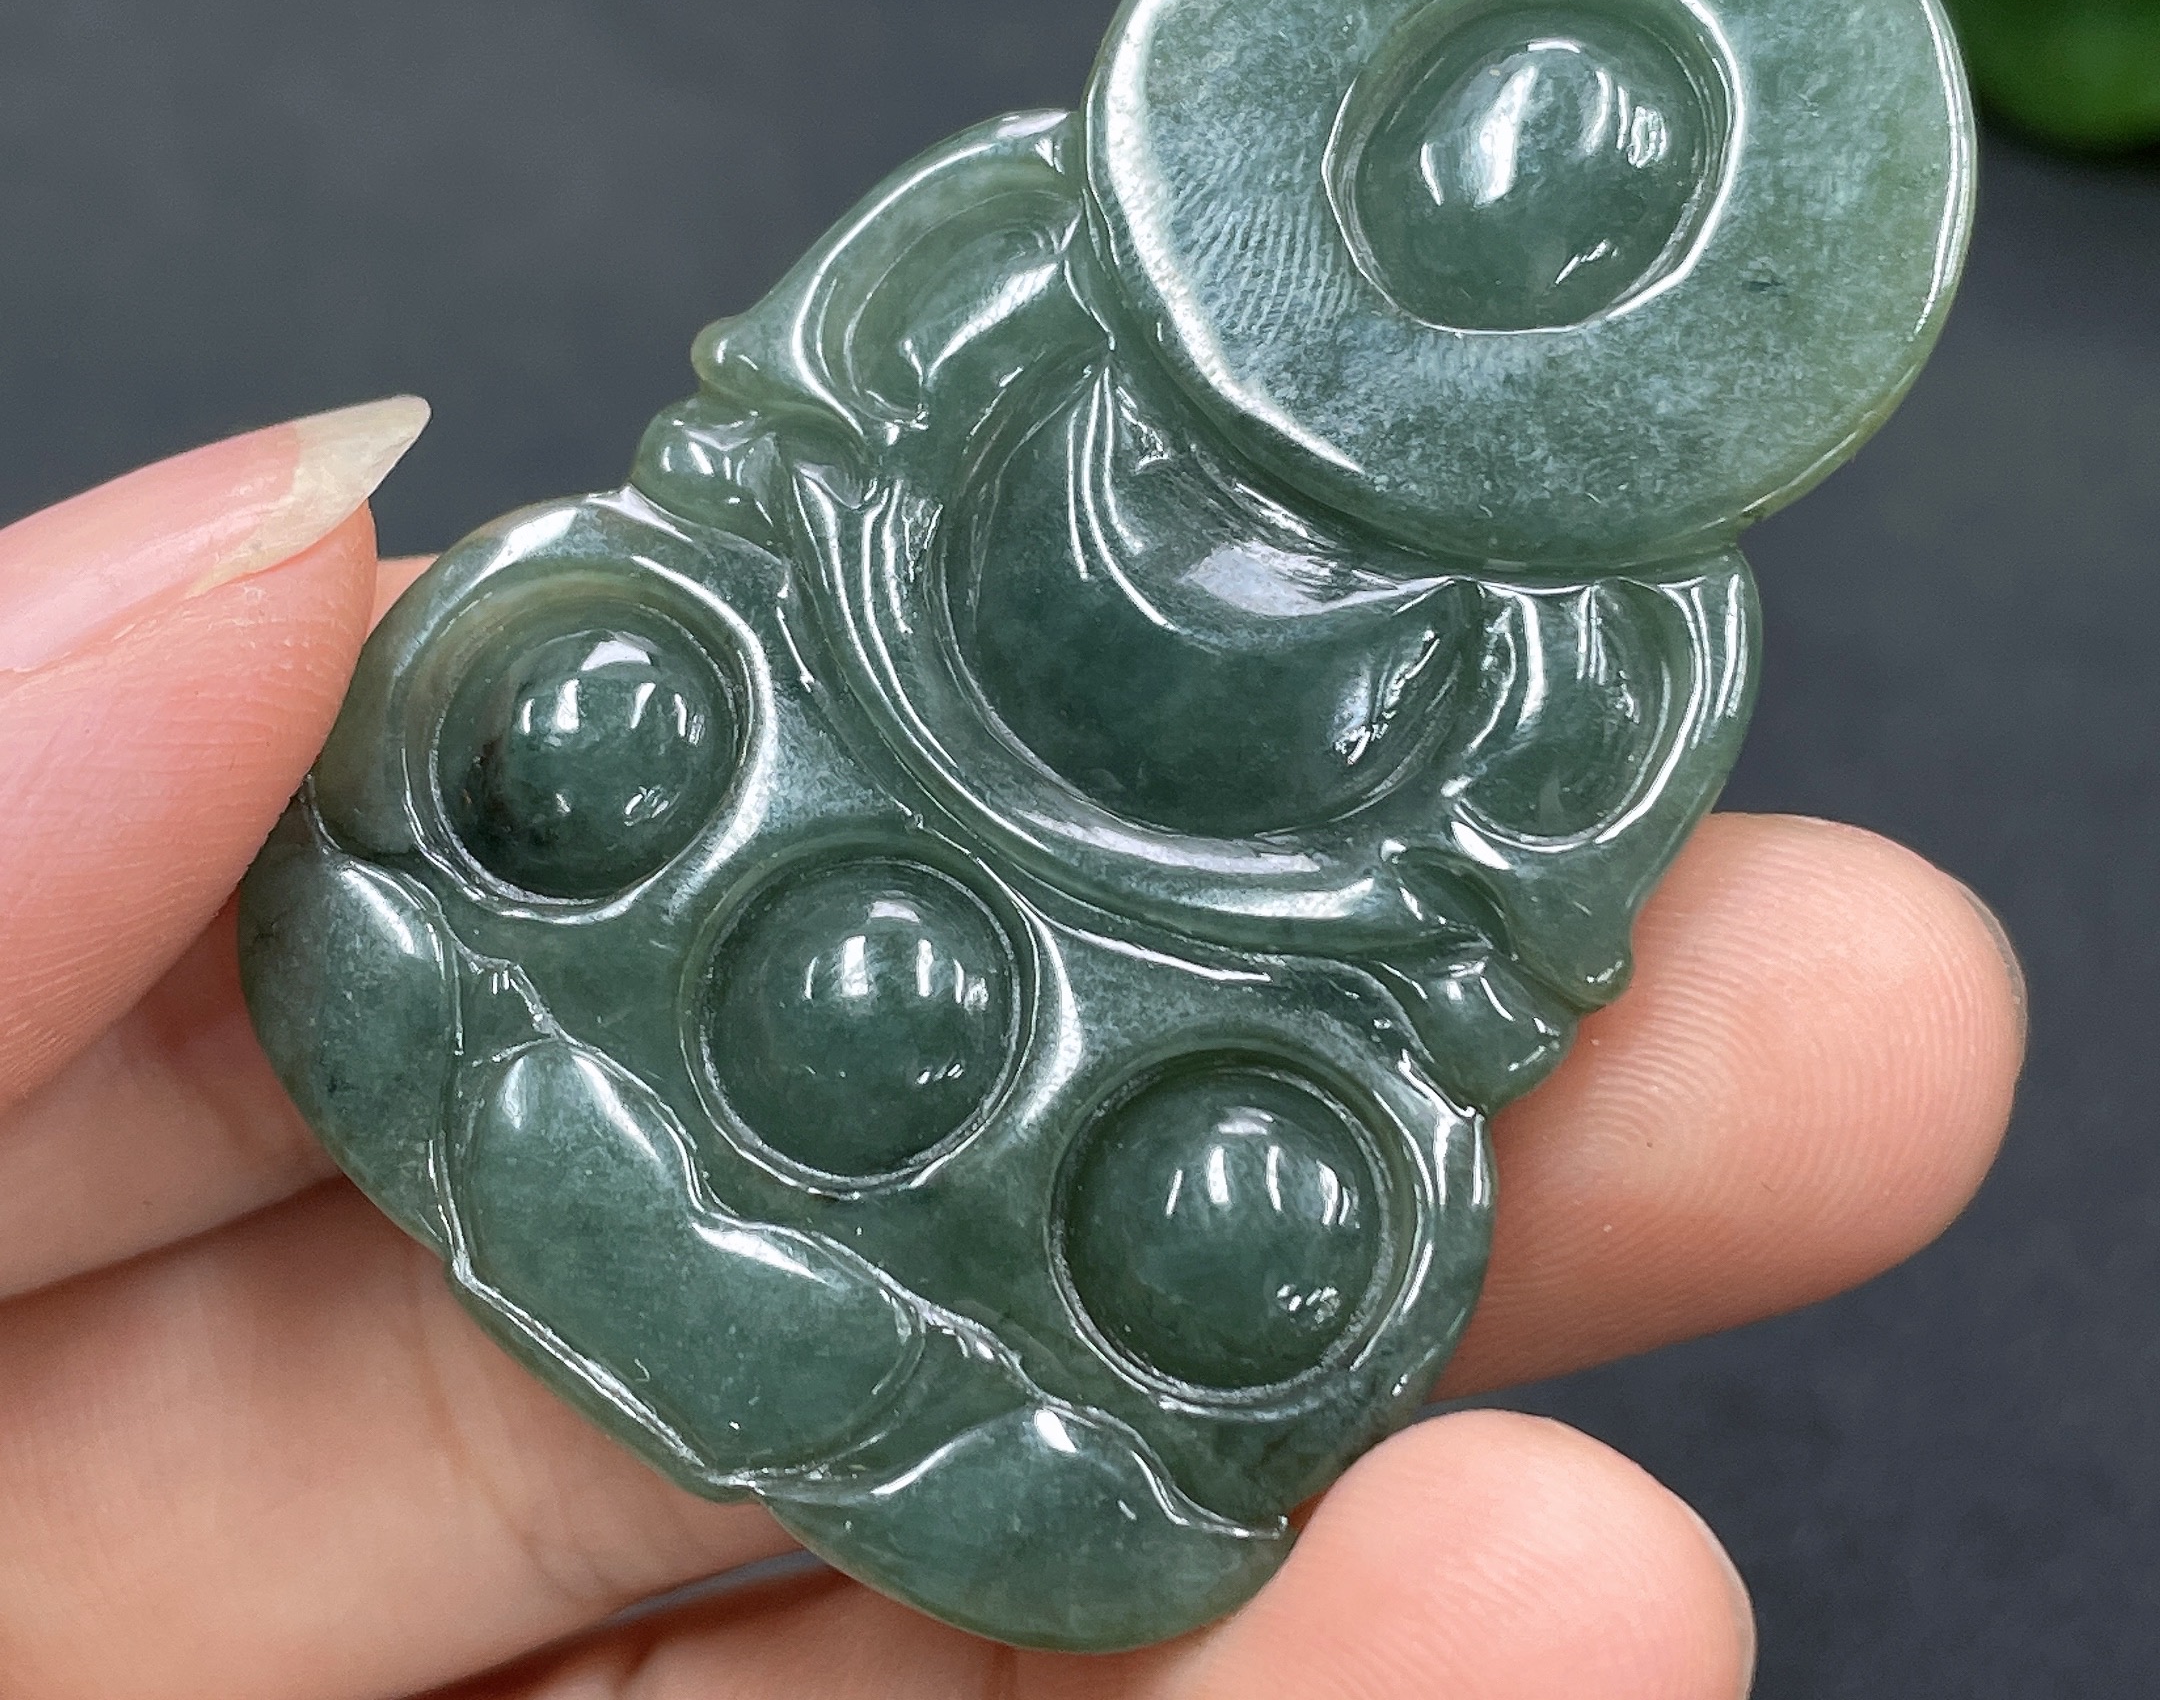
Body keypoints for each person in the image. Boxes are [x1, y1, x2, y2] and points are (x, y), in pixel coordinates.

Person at [0, 399, 2025, 1700]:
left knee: (1248, 1217)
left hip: (1200, 977)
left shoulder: (1626, 623)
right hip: (823, 703)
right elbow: (773, 447)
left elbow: (1496, 948)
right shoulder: (1041, 238)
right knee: (584, 687)